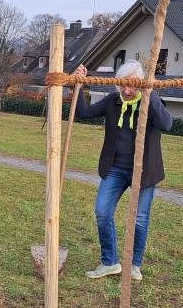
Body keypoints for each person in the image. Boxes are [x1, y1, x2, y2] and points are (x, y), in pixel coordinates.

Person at [72, 60, 173, 281]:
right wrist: (78, 85)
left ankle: (135, 265)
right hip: (115, 168)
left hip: (144, 171)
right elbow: (84, 112)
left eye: (132, 86)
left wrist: (149, 93)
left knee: (140, 219)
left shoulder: (151, 102)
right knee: (102, 211)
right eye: (122, 86)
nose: (127, 91)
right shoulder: (112, 101)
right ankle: (110, 262)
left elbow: (167, 124)